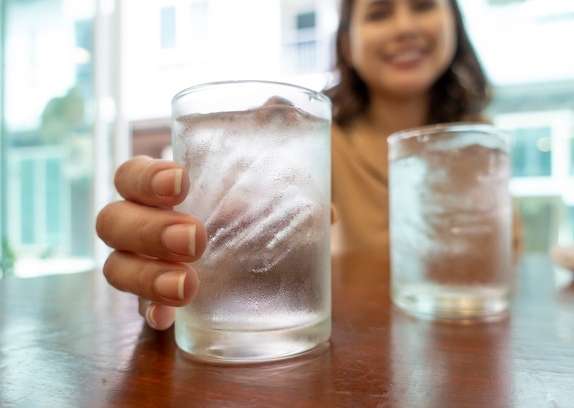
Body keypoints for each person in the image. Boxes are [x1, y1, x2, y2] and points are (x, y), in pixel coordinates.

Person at [96, 0, 522, 330]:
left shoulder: (480, 143)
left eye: (424, 5)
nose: (405, 27)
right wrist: (174, 250)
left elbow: (507, 256)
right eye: (378, 13)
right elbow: (243, 236)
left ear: (455, 24)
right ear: (346, 46)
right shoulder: (307, 135)